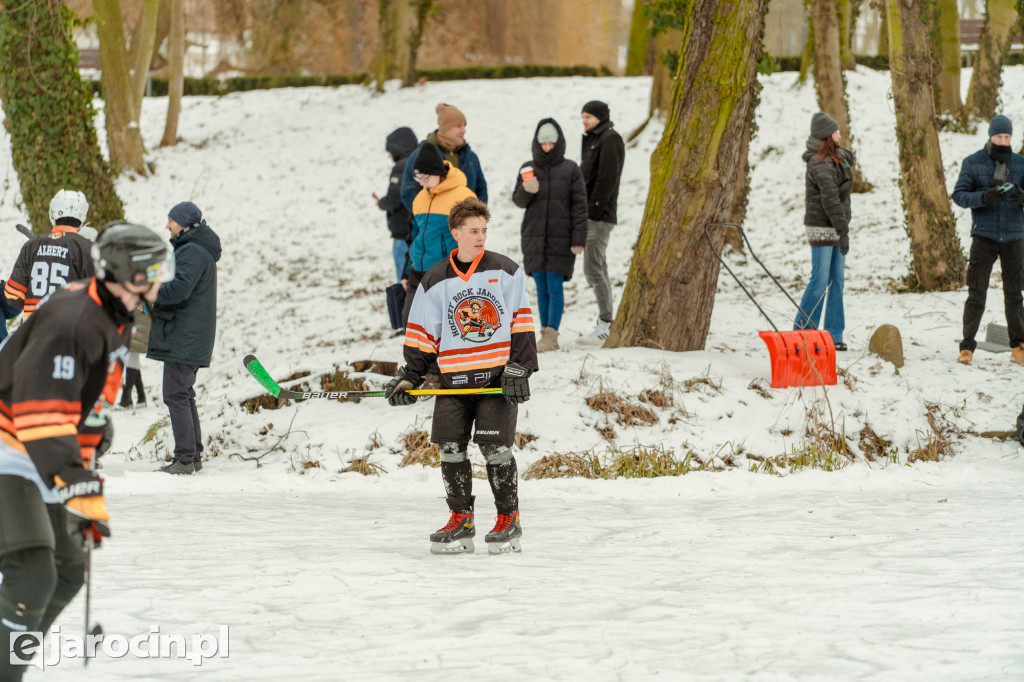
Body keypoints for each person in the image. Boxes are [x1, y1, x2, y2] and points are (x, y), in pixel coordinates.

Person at [0, 223, 171, 682]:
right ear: (131, 274)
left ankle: (9, 659)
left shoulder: (113, 311)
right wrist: (74, 478)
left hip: (38, 448)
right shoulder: (74, 319)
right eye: (156, 268)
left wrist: (95, 435)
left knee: (68, 569)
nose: (163, 277)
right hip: (10, 444)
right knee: (33, 570)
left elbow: (84, 397)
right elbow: (40, 410)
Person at [386, 198, 538, 555]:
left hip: (495, 381)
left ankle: (508, 520)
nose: (480, 236)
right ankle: (461, 519)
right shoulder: (435, 279)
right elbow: (423, 334)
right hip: (453, 381)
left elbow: (522, 321)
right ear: (455, 233)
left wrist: (520, 366)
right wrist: (411, 376)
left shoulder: (505, 270)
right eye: (473, 231)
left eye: (484, 230)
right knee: (450, 448)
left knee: (494, 448)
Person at [147, 202, 221, 475]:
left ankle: (185, 459)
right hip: (190, 335)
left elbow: (178, 290)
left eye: (171, 221)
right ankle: (193, 455)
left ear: (186, 223)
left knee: (175, 394)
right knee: (184, 394)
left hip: (185, 336)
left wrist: (150, 290)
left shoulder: (192, 252)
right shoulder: (195, 250)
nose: (167, 225)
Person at [951, 114, 1024, 365]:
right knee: (976, 292)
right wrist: (983, 197)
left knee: (1015, 294)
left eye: (1007, 136)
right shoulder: (973, 163)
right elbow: (959, 195)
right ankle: (967, 346)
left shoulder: (1020, 163)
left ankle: (1019, 346)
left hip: (1015, 237)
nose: (1003, 141)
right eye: (998, 136)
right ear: (990, 136)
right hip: (984, 235)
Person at [513, 118, 588, 352]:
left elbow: (579, 206)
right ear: (537, 143)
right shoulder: (528, 168)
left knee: (555, 285)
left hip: (561, 237)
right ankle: (544, 332)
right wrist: (527, 190)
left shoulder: (570, 169)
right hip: (534, 237)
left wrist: (578, 239)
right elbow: (518, 200)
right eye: (543, 143)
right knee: (541, 285)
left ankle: (551, 335)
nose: (547, 147)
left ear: (559, 143)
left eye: (551, 143)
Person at [793, 112, 854, 351]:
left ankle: (834, 333)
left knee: (837, 280)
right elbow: (830, 199)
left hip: (837, 226)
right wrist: (843, 230)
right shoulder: (818, 162)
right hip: (822, 227)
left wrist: (842, 229)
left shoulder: (837, 159)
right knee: (819, 281)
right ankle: (803, 331)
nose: (840, 135)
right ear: (828, 135)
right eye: (836, 131)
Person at [401, 141, 476, 326]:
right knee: (411, 323)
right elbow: (412, 237)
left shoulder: (463, 197)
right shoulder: (420, 198)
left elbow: (474, 237)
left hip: (448, 272)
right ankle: (418, 356)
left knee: (444, 326)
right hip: (418, 272)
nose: (421, 182)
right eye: (418, 177)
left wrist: (467, 271)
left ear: (438, 173)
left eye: (425, 177)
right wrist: (405, 272)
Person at [4, 189, 95, 321]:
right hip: (69, 329)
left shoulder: (31, 246)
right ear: (83, 216)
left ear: (53, 213)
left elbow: (12, 296)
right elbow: (100, 296)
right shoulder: (88, 248)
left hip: (34, 330)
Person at [577, 100, 625, 347]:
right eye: (582, 116)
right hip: (591, 213)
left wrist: (594, 210)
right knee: (598, 266)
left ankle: (605, 324)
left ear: (600, 117)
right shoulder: (594, 138)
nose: (584, 120)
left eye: (588, 116)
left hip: (599, 215)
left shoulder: (609, 139)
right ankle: (606, 322)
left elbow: (608, 177)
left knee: (593, 268)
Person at [400, 103, 488, 210]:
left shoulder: (471, 157)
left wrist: (477, 216)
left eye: (464, 126)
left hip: (466, 224)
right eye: (458, 126)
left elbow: (481, 188)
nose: (463, 130)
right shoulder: (421, 155)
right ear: (445, 128)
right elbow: (408, 191)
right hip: (434, 224)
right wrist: (429, 218)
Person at [377, 126, 418, 282]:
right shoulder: (418, 161)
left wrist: (381, 203)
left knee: (404, 279)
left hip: (403, 231)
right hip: (417, 230)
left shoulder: (401, 167)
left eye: (390, 151)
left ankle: (405, 305)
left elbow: (394, 197)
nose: (389, 155)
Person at [118, 308, 151, 409]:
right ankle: (140, 397)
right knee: (133, 354)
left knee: (133, 351)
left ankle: (126, 398)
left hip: (140, 316)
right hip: (138, 315)